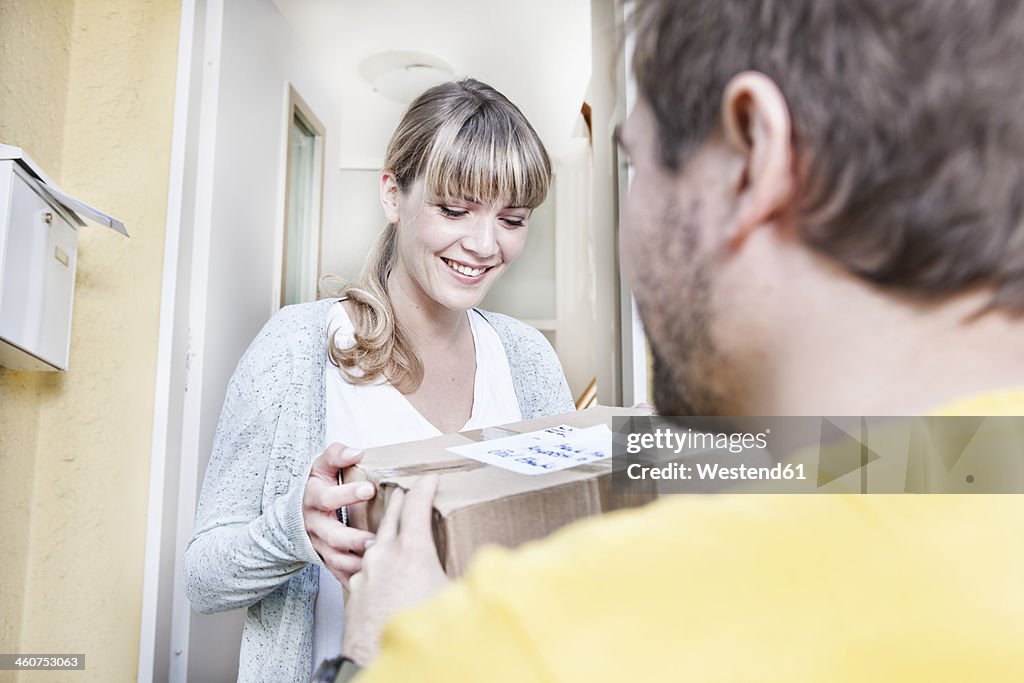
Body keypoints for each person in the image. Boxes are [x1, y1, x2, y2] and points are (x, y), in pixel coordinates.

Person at [325, 1, 1024, 680]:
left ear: (752, 156)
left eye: (638, 165)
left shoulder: (506, 645)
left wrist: (383, 646)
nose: (485, 242)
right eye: (455, 208)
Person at [183, 78, 573, 682]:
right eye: (454, 209)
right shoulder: (296, 348)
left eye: (512, 219)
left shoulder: (527, 359)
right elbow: (203, 579)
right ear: (393, 194)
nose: (484, 244)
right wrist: (296, 529)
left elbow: (559, 562)